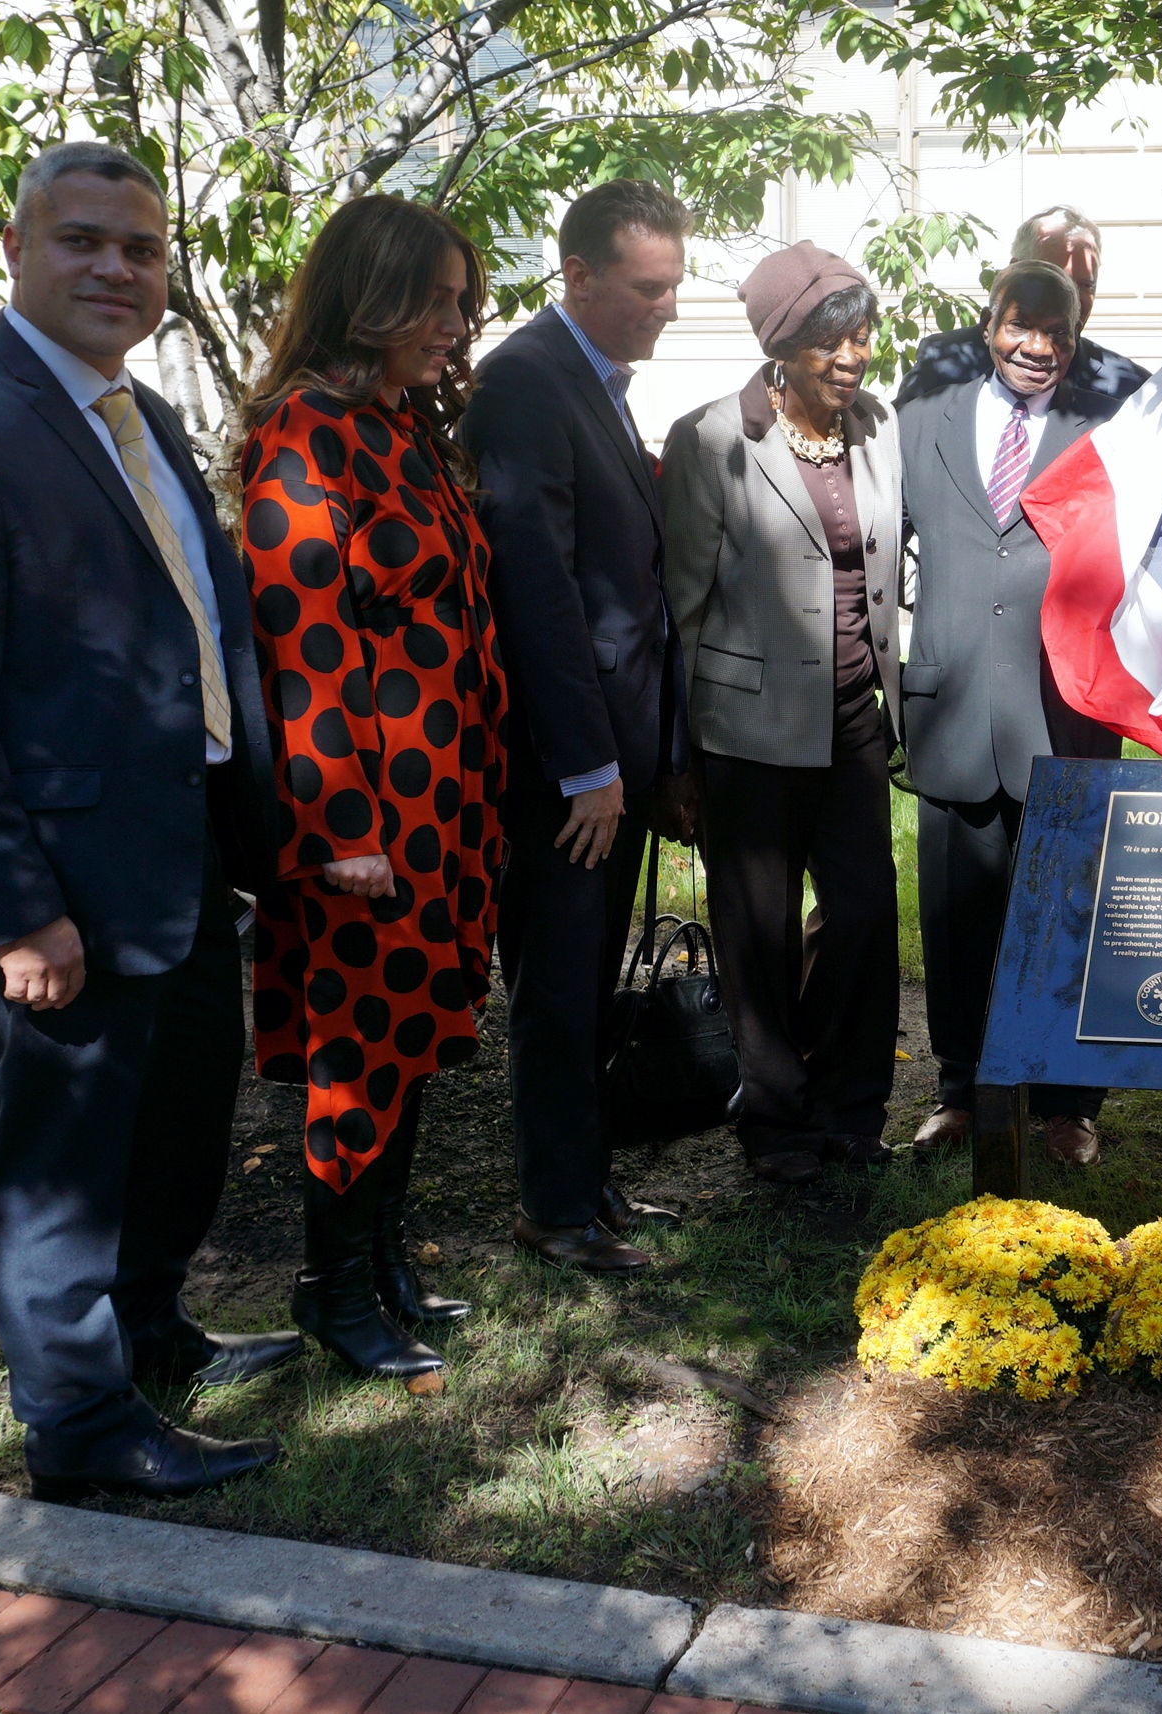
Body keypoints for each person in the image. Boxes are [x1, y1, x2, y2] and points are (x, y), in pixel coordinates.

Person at [0, 140, 299, 1498]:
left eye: (140, 249)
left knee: (179, 1121)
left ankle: (146, 1331)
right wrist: (12, 905)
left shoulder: (143, 416)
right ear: (17, 251)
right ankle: (79, 1424)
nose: (115, 266)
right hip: (57, 880)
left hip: (187, 848)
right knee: (63, 1157)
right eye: (83, 240)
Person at [236, 196, 508, 1384]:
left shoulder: (401, 425)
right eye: (437, 301)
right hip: (367, 813)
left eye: (462, 301)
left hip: (447, 797)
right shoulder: (306, 433)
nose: (455, 323)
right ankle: (334, 1293)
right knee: (359, 1049)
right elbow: (303, 642)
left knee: (407, 1041)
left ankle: (384, 1266)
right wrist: (342, 826)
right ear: (371, 296)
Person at [463, 178, 692, 1273]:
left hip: (615, 755)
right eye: (649, 289)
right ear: (580, 276)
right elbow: (537, 588)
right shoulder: (522, 381)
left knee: (592, 977)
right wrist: (589, 763)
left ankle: (586, 1182)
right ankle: (554, 1208)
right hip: (564, 768)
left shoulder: (594, 379)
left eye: (674, 287)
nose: (667, 309)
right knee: (557, 985)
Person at [661, 242, 904, 1186]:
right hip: (744, 733)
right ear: (783, 344)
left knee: (863, 915)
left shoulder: (877, 429)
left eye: (862, 334)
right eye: (831, 340)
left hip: (852, 719)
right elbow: (679, 608)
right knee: (755, 933)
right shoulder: (715, 439)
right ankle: (775, 1122)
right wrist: (673, 759)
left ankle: (851, 1104)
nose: (854, 355)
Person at [900, 260, 1125, 1164]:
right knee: (957, 916)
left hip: (1063, 709)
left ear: (1078, 340)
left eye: (1058, 334)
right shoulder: (922, 414)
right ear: (986, 323)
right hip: (952, 703)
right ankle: (962, 1089)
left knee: (1069, 910)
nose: (1037, 348)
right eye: (1019, 326)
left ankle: (1071, 1103)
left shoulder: (1108, 431)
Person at [894, 206, 1149, 406]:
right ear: (1013, 270)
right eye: (1056, 277)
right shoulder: (945, 361)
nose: (1072, 297)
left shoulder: (1128, 387)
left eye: (1086, 286)